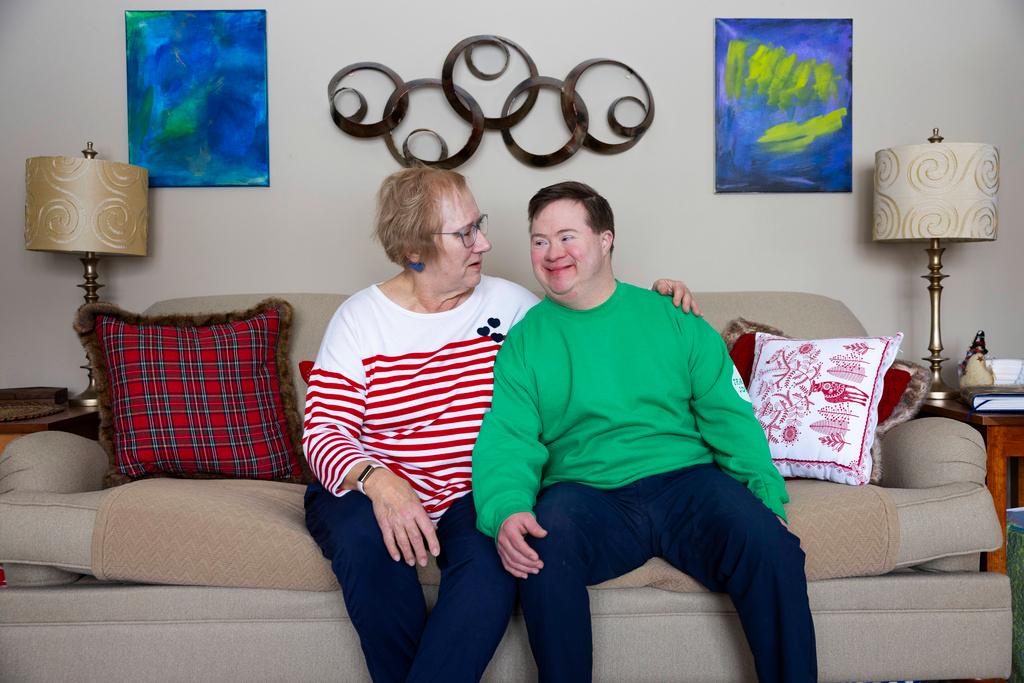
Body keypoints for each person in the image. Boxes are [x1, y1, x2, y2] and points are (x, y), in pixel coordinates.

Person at [302, 167, 699, 683]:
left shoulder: (513, 308)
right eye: (465, 233)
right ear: (415, 247)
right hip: (371, 485)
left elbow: (590, 323)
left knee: (496, 566)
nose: (484, 242)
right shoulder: (361, 320)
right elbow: (324, 431)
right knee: (364, 542)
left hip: (473, 493)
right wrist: (381, 484)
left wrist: (657, 301)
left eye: (479, 224)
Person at [472, 181, 817, 683]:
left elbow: (730, 416)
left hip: (686, 482)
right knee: (541, 550)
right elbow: (508, 439)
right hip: (585, 494)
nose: (552, 254)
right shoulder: (525, 341)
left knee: (774, 548)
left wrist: (766, 498)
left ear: (606, 239)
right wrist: (506, 508)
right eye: (539, 240)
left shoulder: (674, 318)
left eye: (568, 237)